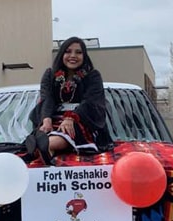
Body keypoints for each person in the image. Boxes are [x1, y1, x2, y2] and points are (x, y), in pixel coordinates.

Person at [26, 36, 113, 165]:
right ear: (62, 54)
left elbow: (90, 101)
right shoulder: (50, 75)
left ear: (84, 55)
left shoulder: (92, 76)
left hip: (81, 120)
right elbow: (47, 98)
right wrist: (46, 119)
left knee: (50, 142)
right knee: (43, 136)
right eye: (68, 51)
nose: (73, 56)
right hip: (54, 120)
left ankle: (44, 149)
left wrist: (71, 117)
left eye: (78, 52)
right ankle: (43, 151)